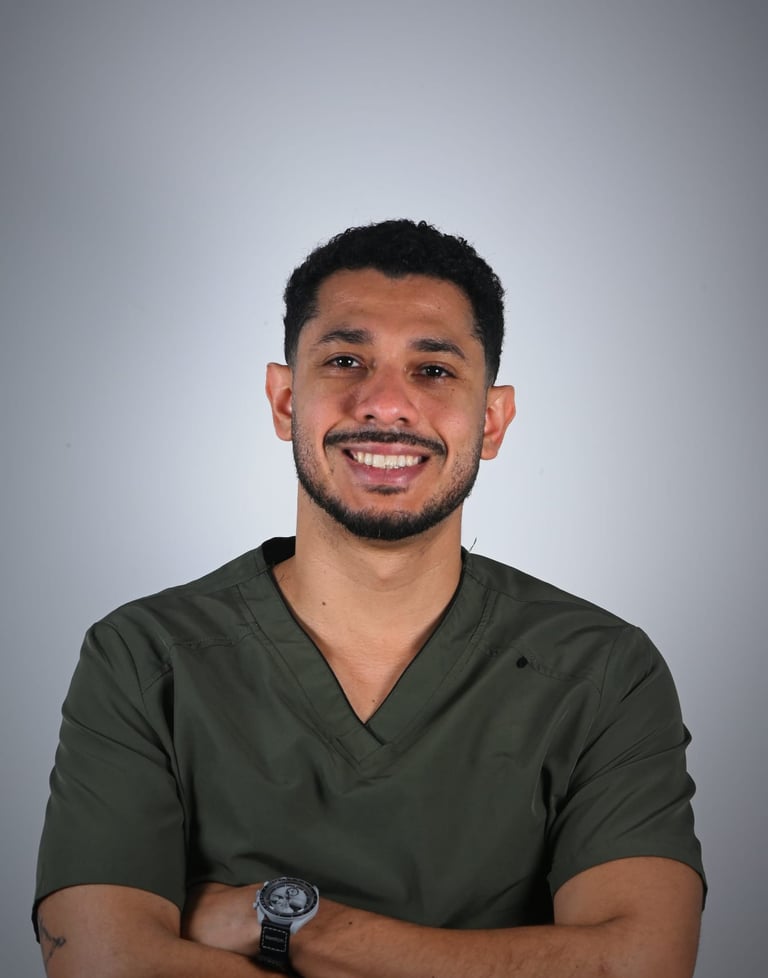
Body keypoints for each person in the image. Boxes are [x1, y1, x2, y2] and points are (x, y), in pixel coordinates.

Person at [34, 219, 705, 978]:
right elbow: (104, 965)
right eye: (346, 360)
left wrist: (289, 920)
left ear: (491, 420)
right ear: (286, 400)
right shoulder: (144, 658)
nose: (385, 403)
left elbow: (640, 964)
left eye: (434, 371)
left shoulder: (603, 671)